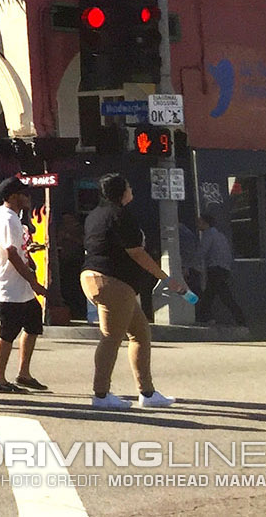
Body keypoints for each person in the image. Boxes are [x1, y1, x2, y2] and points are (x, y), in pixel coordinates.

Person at [80, 172, 186, 410]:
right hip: (112, 281)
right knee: (111, 338)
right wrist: (165, 278)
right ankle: (100, 394)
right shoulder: (120, 215)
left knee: (140, 333)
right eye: (128, 187)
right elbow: (136, 252)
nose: (132, 191)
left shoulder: (95, 215)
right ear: (121, 192)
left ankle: (147, 393)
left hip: (94, 278)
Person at [0, 178, 47, 394]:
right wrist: (34, 282)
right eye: (24, 193)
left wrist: (28, 249)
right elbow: (11, 253)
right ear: (13, 196)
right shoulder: (6, 218)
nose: (28, 197)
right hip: (8, 285)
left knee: (33, 324)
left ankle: (24, 373)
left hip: (20, 286)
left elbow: (17, 249)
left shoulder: (14, 218)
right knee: (8, 332)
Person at [195, 215, 246, 327]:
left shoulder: (208, 234)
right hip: (223, 269)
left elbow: (202, 251)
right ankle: (207, 317)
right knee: (215, 294)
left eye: (200, 222)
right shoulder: (220, 235)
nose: (198, 224)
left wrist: (193, 265)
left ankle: (205, 317)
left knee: (216, 295)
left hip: (215, 269)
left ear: (206, 223)